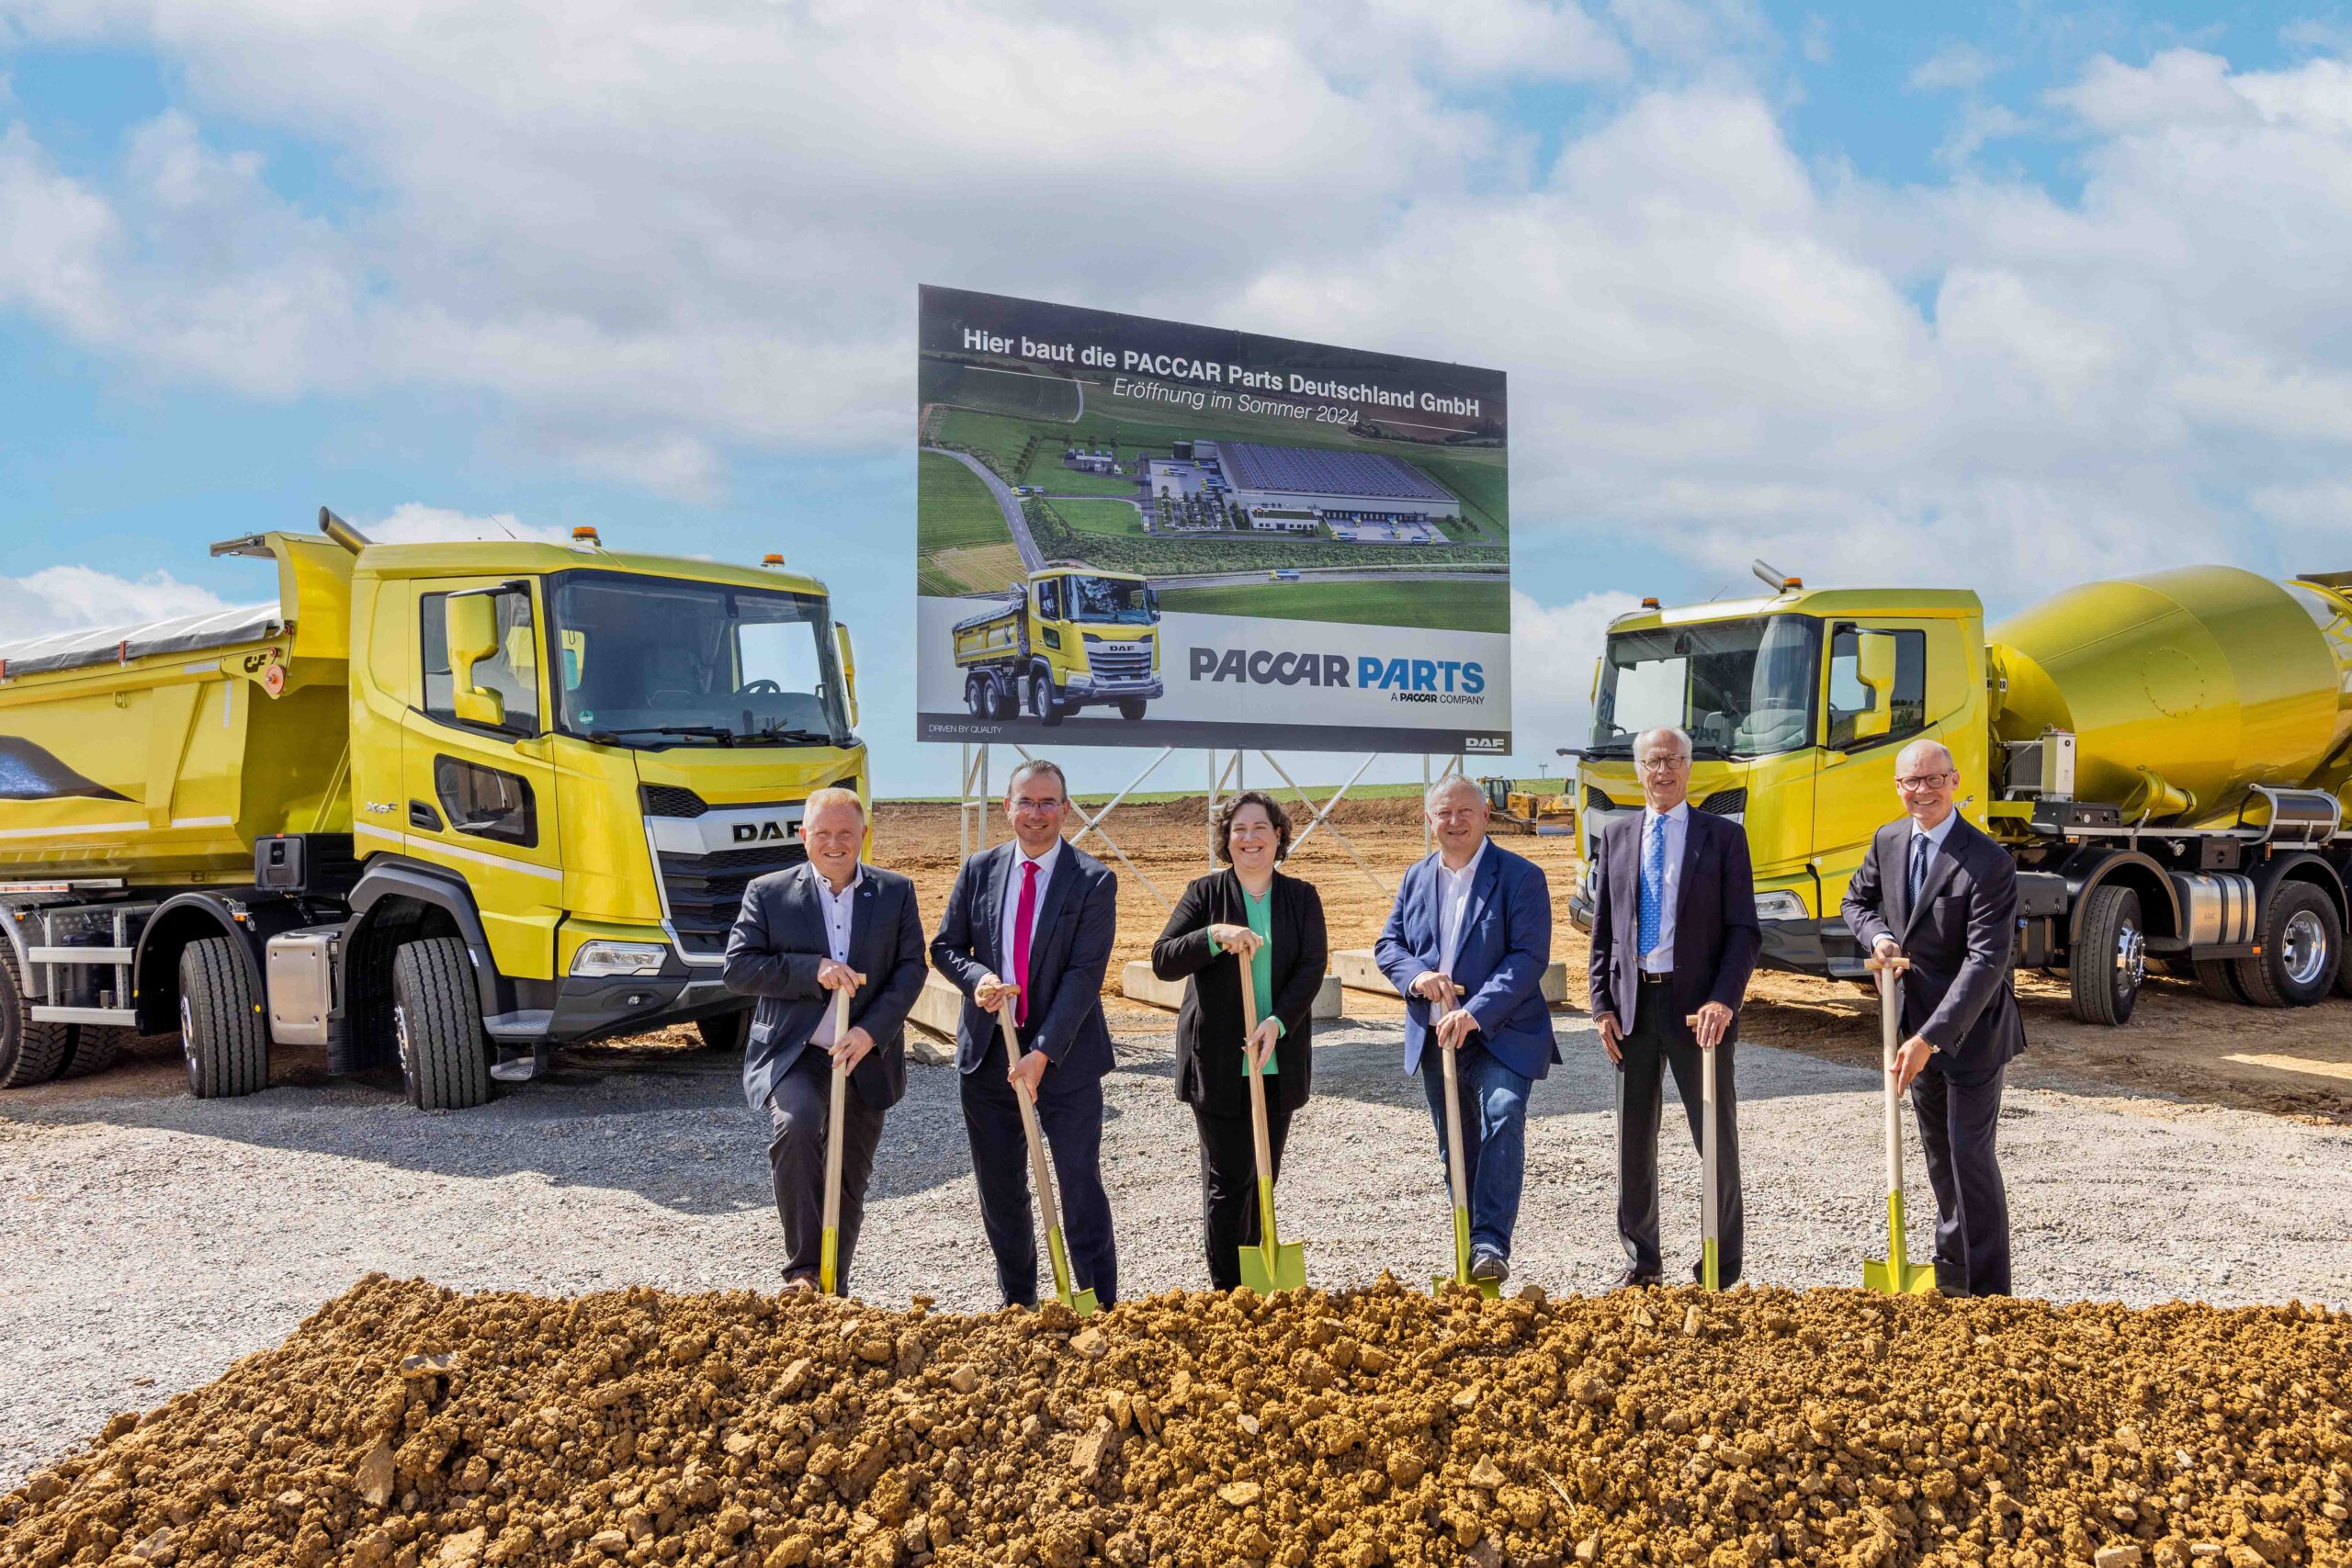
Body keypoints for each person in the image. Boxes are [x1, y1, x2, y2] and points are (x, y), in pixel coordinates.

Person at [929, 758, 1122, 1308]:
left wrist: (1042, 1052)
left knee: (1078, 1180)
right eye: (1026, 802)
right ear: (1007, 808)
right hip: (990, 1055)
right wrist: (978, 979)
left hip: (1065, 1057)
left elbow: (1085, 975)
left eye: (1048, 802)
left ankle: (1098, 1303)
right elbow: (945, 947)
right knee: (1001, 1186)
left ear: (1065, 809)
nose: (1037, 813)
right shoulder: (979, 870)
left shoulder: (1092, 880)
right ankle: (1019, 1302)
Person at [720, 786, 926, 1292]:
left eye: (845, 833)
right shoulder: (768, 893)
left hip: (865, 1054)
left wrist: (869, 1032)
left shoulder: (895, 892)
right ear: (803, 836)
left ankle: (834, 1288)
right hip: (796, 1053)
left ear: (863, 835)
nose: (835, 843)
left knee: (849, 1175)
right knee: (796, 1127)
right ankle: (804, 1272)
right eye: (823, 833)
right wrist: (812, 969)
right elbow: (739, 969)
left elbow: (910, 970)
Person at [1841, 736, 2025, 1297]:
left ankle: (1990, 1294)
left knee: (1970, 1156)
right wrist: (1880, 937)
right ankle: (1952, 1276)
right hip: (1912, 1024)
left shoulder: (1988, 862)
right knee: (1940, 1157)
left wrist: (1929, 1039)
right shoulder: (1889, 840)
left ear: (1954, 782)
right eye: (1910, 782)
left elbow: (1986, 962)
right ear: (1898, 787)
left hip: (1971, 1032)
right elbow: (1856, 902)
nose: (1921, 791)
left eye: (1932, 779)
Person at [1587, 725, 1759, 1289]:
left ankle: (1719, 1268)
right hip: (1632, 1009)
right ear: (1639, 770)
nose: (1663, 771)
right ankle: (1642, 1265)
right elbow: (1604, 930)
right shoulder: (1616, 835)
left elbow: (1744, 931)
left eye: (1673, 760)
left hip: (1699, 1012)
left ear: (1690, 767)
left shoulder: (1724, 837)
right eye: (1653, 761)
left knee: (1715, 1137)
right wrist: (1601, 1005)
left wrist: (1723, 1000)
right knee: (1633, 1142)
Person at [1374, 773, 1556, 1285]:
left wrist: (1475, 1010)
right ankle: (1470, 1246)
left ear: (1486, 816)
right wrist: (1417, 977)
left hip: (1503, 1032)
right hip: (1438, 1038)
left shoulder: (1521, 877)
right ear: (1429, 820)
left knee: (1503, 1111)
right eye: (1444, 813)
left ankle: (1490, 1242)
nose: (1454, 822)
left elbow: (1528, 957)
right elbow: (1389, 945)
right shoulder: (1415, 878)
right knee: (1456, 1143)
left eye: (1465, 812)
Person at [1150, 790, 1330, 1289]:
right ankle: (1231, 1292)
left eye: (1260, 829)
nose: (1249, 839)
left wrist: (1277, 1022)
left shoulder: (1301, 897)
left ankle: (1259, 1278)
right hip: (1219, 1063)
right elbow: (1164, 960)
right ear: (1226, 840)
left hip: (1276, 1057)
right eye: (1239, 830)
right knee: (1229, 1181)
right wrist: (1213, 937)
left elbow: (1312, 967)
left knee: (1262, 1176)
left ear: (1279, 836)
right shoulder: (1204, 894)